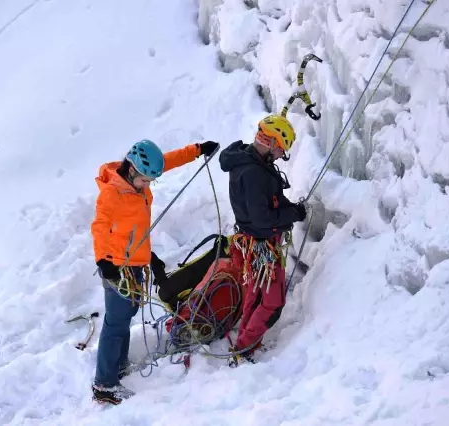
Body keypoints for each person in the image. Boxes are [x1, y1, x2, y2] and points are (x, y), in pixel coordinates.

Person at [90, 138, 218, 405]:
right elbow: (100, 226)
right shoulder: (112, 193)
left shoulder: (136, 179)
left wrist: (196, 151)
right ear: (132, 171)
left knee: (125, 317)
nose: (148, 186)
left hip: (136, 263)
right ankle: (104, 384)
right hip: (118, 268)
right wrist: (104, 262)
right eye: (145, 181)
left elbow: (167, 161)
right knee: (115, 323)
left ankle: (119, 365)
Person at [218, 114, 307, 367]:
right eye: (281, 150)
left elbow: (270, 201)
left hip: (251, 245)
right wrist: (293, 214)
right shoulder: (254, 173)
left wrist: (290, 209)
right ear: (271, 143)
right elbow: (263, 218)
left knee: (255, 296)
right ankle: (245, 347)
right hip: (261, 246)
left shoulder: (246, 160)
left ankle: (244, 342)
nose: (281, 156)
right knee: (273, 302)